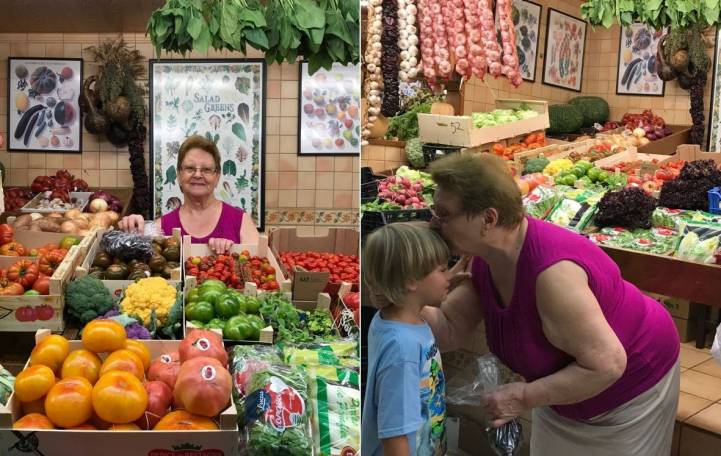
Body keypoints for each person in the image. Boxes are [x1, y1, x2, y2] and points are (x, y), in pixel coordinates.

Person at [420, 153, 680, 455]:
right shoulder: (482, 259)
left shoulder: (553, 275)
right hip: (564, 392)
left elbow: (607, 365)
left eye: (443, 213)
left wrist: (523, 396)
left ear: (488, 219)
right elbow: (450, 330)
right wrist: (404, 297)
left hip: (631, 386)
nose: (433, 223)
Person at [362, 223, 450, 456]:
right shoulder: (402, 350)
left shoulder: (394, 318)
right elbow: (394, 434)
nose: (448, 276)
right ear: (411, 281)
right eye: (442, 270)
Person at [119, 135, 259, 253]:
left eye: (206, 169)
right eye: (190, 168)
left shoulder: (241, 222)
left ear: (217, 176)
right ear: (179, 175)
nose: (198, 175)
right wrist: (133, 230)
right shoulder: (161, 227)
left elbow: (260, 272)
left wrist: (233, 253)